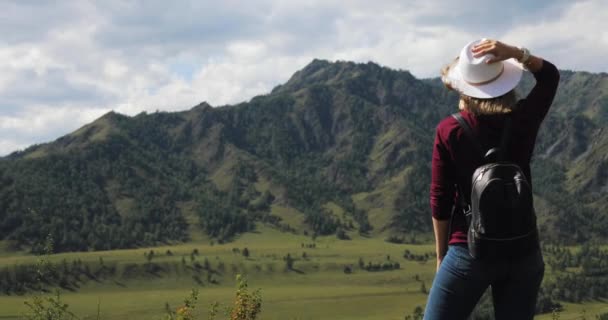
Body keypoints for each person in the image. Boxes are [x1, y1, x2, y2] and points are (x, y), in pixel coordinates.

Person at [424, 39, 560, 319]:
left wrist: (441, 256)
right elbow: (549, 76)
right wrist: (516, 53)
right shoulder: (524, 117)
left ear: (464, 87)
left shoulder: (450, 130)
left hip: (469, 250)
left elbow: (440, 199)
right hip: (523, 249)